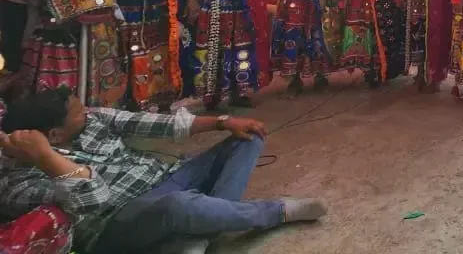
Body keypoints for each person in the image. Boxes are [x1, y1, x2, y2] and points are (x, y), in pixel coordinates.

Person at [0, 88, 326, 254]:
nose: (86, 111)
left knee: (248, 137)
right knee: (180, 205)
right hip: (122, 217)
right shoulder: (18, 181)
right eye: (77, 112)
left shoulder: (92, 120)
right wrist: (46, 156)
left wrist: (223, 121)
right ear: (54, 135)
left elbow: (155, 124)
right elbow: (94, 197)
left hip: (169, 176)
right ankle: (275, 212)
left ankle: (199, 233)